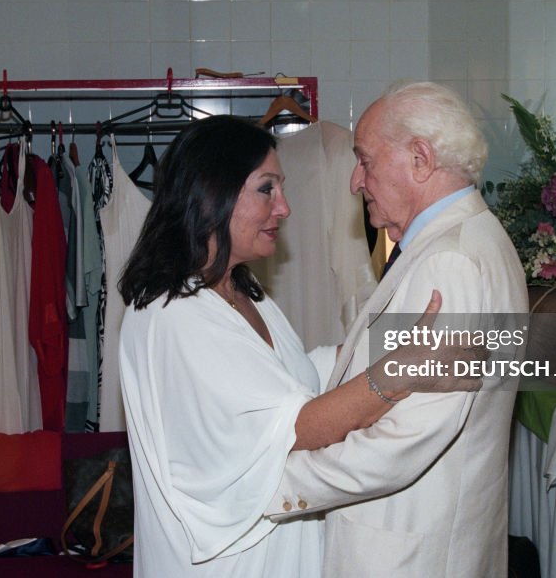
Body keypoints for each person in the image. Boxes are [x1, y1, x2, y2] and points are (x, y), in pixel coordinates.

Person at [117, 115, 482, 577]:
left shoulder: (240, 291)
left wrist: (384, 342)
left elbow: (289, 380)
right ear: (212, 192)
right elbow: (298, 427)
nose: (285, 208)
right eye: (266, 189)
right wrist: (399, 371)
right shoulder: (174, 315)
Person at [269, 81, 529, 577]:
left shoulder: (450, 261)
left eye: (364, 160)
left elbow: (403, 440)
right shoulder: (472, 238)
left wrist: (272, 483)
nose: (354, 181)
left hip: (409, 554)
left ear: (420, 159)